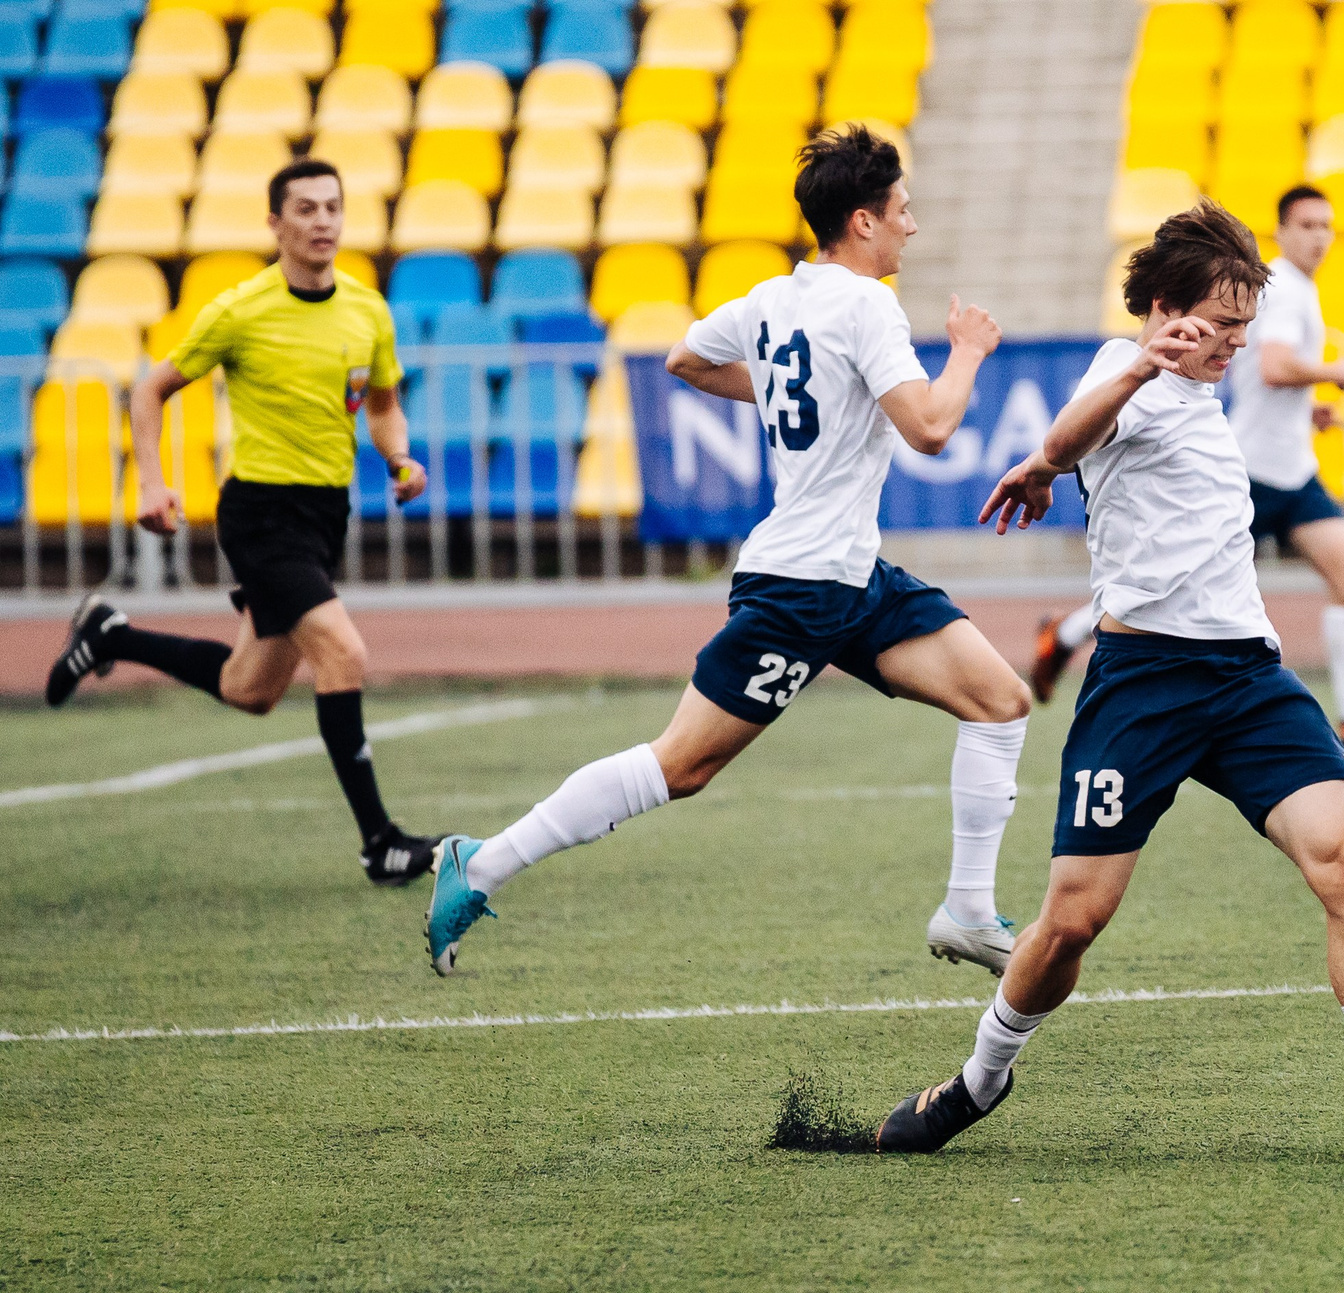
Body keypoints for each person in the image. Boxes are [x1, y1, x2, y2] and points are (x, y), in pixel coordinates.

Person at [869, 200, 1344, 1159]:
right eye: (1221, 325)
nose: (1234, 345)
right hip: (1142, 683)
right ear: (1165, 310)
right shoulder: (1129, 376)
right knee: (1073, 919)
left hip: (1248, 676)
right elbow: (1071, 437)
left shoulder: (1205, 398)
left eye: (1244, 327)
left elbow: (1070, 455)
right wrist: (1121, 381)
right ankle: (977, 1081)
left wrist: (1068, 447)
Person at [421, 129, 1036, 975]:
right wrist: (967, 350)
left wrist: (801, 384)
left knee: (1001, 700)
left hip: (850, 575)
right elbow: (930, 427)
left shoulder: (772, 298)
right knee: (682, 765)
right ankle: (478, 862)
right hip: (802, 585)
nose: (913, 227)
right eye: (902, 211)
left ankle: (967, 910)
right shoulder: (865, 306)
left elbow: (684, 358)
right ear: (862, 221)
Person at [44, 159, 445, 885]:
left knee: (249, 689)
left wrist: (401, 458)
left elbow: (382, 405)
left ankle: (112, 632)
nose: (323, 220)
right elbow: (149, 390)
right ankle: (379, 843)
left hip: (326, 515)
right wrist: (154, 484)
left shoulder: (367, 311)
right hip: (260, 514)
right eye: (306, 209)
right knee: (343, 653)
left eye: (333, 207)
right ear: (276, 224)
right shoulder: (241, 309)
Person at [1028, 186, 1344, 753]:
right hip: (1254, 469)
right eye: (1308, 225)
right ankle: (1067, 634)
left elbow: (1262, 373)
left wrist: (1307, 406)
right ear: (1283, 233)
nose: (1321, 237)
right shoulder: (1280, 288)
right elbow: (1273, 366)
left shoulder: (1293, 290)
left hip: (1293, 468)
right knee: (1170, 580)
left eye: (1327, 225)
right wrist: (1333, 371)